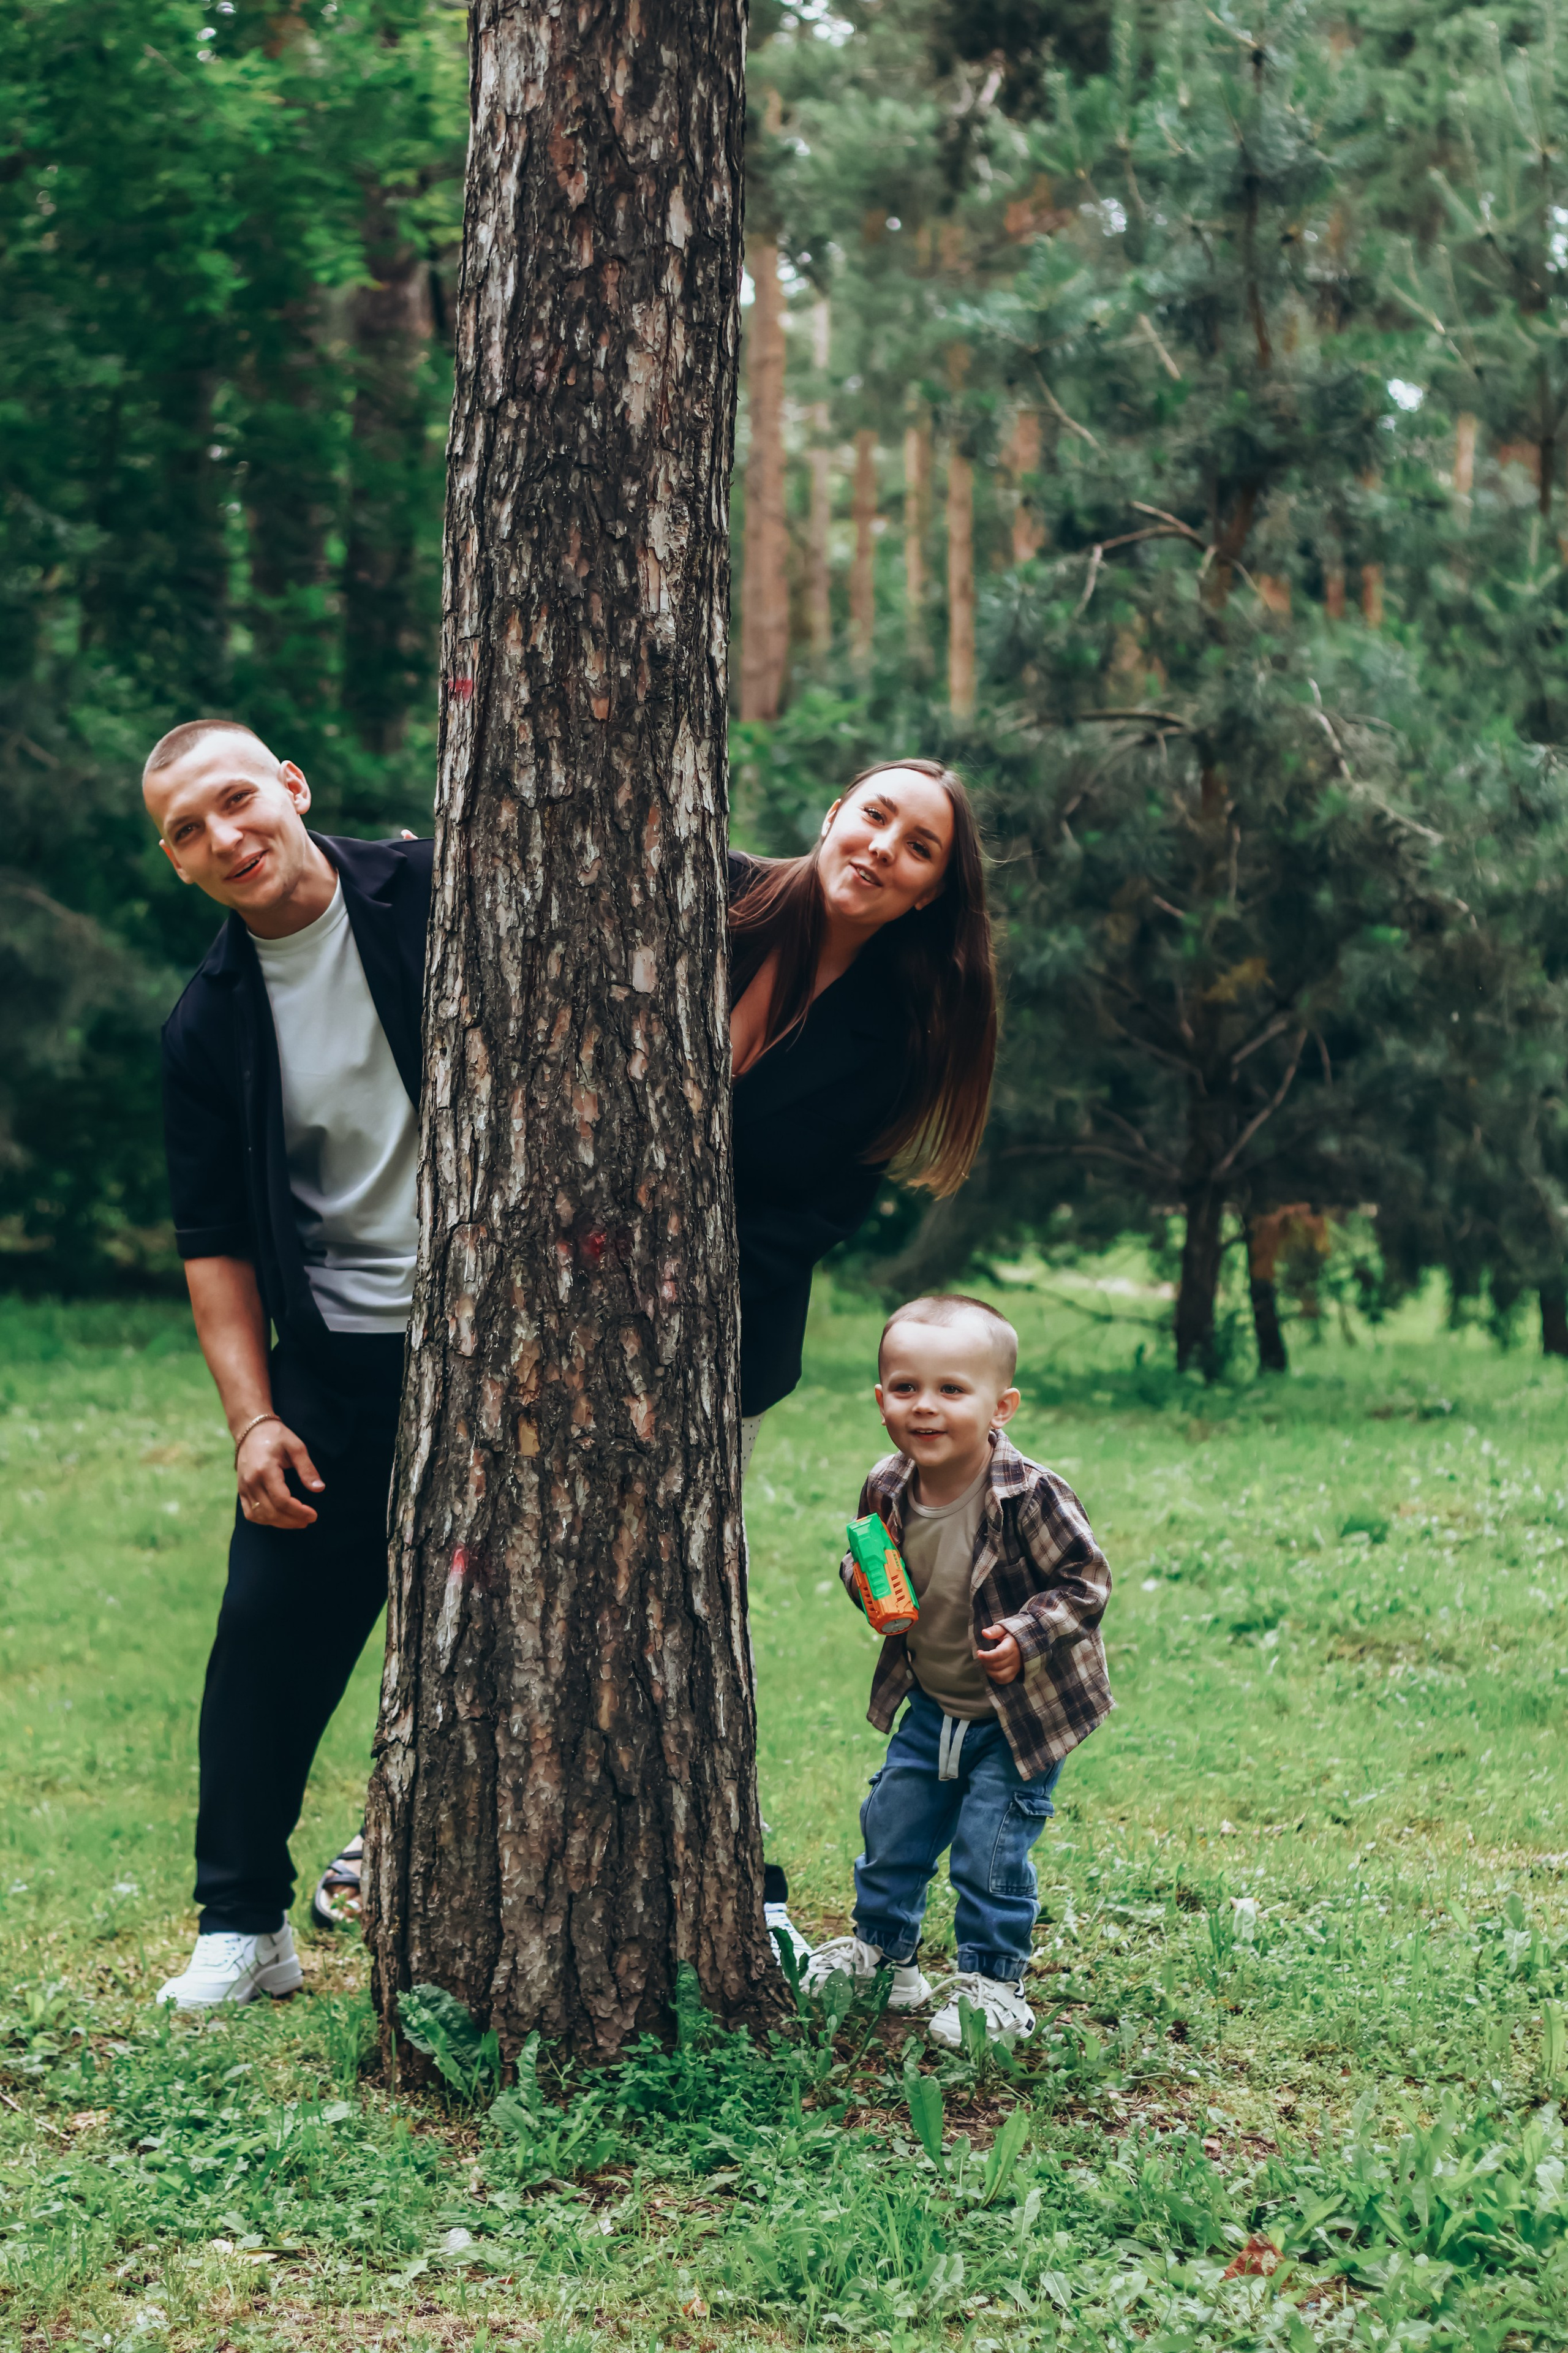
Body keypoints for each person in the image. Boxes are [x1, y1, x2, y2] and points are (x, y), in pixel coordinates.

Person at [141, 719, 432, 2006]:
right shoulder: (206, 1022)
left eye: (237, 799)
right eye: (187, 831)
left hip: (510, 1344)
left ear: (292, 787)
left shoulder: (431, 886)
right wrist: (254, 1421)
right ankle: (243, 1923)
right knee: (264, 1629)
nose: (225, 836)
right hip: (339, 1357)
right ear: (179, 864)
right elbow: (212, 1247)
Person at [728, 761, 1000, 1958]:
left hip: (719, 1340)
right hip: (537, 1297)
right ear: (833, 810)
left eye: (919, 845)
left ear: (930, 892)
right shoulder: (701, 891)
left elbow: (808, 1216)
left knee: (680, 1595)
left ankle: (732, 1857)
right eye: (875, 815)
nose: (884, 847)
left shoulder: (896, 1039)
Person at [802, 1294, 1113, 2047]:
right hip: (932, 1703)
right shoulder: (886, 1485)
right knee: (892, 1827)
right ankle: (885, 1956)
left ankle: (993, 1984)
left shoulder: (1028, 1494)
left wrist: (1023, 1634)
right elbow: (863, 1559)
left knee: (988, 1850)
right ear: (880, 1398)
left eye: (951, 1389)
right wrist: (863, 1585)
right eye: (905, 1387)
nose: (925, 1406)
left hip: (1018, 1718)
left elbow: (1087, 1581)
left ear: (1000, 1406)